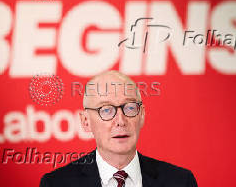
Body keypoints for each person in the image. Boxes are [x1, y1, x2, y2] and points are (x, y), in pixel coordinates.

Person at [40, 70, 198, 187]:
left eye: (129, 108)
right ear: (86, 121)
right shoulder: (56, 184)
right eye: (106, 110)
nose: (121, 121)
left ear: (141, 115)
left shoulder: (180, 181)